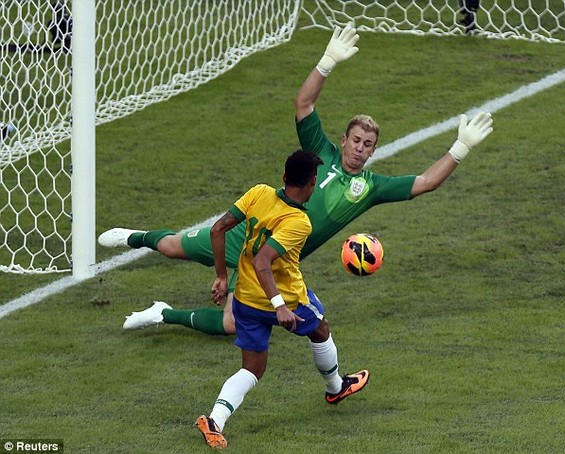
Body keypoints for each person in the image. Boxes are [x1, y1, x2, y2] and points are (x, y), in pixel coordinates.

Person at [98, 24, 494, 335]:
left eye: (368, 144)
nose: (360, 147)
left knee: (233, 324)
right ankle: (133, 236)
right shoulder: (319, 151)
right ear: (344, 139)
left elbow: (426, 181)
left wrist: (459, 149)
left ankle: (163, 314)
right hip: (248, 233)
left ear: (374, 150)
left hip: (272, 259)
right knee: (169, 247)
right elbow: (304, 103)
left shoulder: (370, 187)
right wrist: (327, 62)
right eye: (356, 139)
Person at [195, 149, 369, 448]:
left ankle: (214, 420)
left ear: (284, 177)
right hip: (287, 300)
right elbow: (264, 260)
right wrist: (280, 307)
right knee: (320, 328)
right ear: (312, 183)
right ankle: (336, 388)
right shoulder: (299, 222)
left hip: (246, 300)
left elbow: (218, 228)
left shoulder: (259, 192)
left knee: (252, 369)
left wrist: (222, 276)